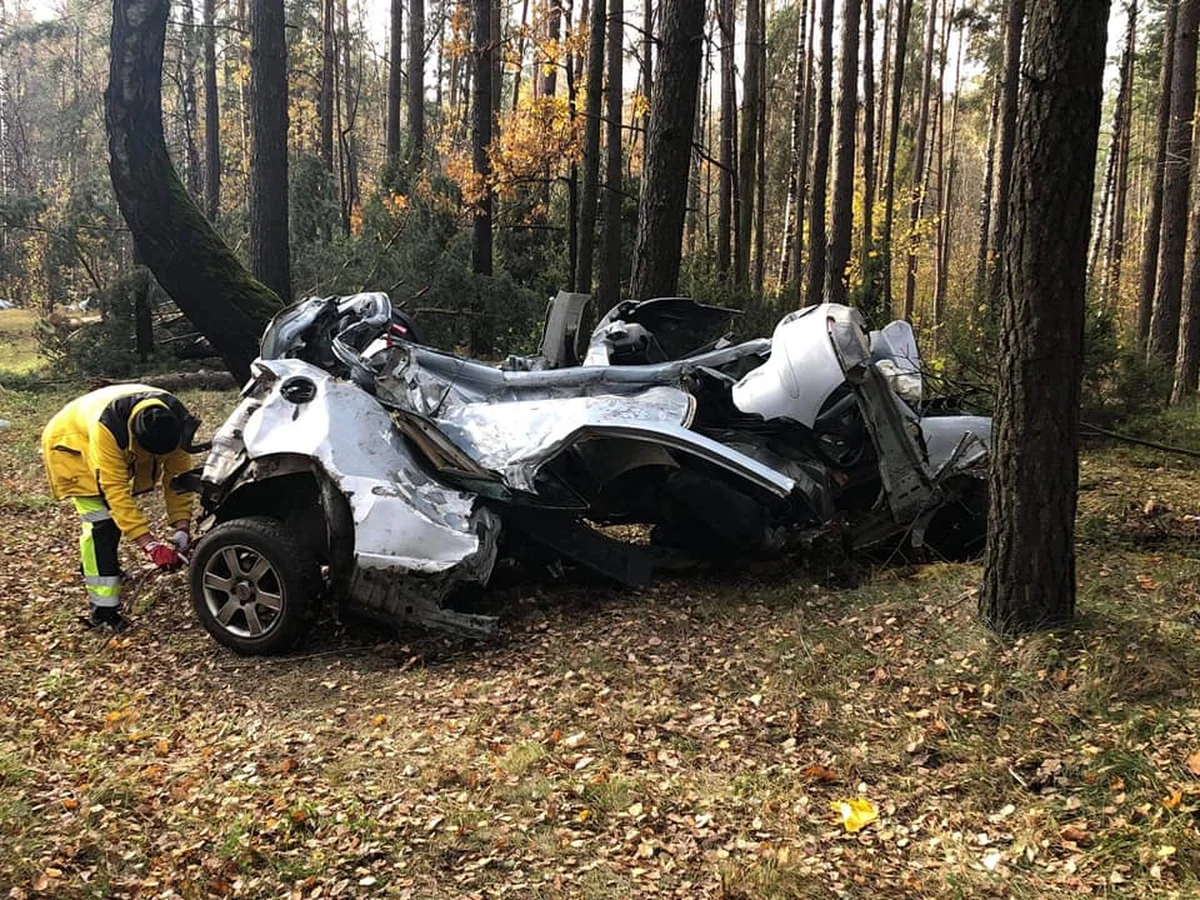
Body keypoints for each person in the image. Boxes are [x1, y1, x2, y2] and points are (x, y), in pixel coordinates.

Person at [42, 385, 198, 633]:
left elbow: (178, 477)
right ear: (136, 439)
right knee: (101, 524)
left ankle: (98, 563)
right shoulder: (109, 430)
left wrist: (182, 527)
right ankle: (102, 612)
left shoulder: (174, 422)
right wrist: (150, 545)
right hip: (70, 444)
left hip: (93, 429)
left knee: (111, 524)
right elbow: (114, 491)